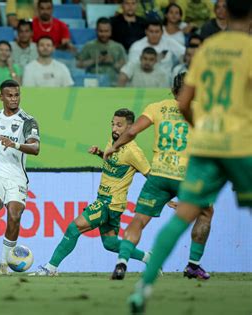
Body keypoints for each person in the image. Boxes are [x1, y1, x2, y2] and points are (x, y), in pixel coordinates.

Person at [128, 0, 252, 312]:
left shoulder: (207, 51)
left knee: (184, 215)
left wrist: (202, 127)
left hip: (207, 144)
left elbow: (184, 104)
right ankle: (193, 264)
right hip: (239, 144)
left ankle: (142, 289)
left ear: (223, 14)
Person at [106, 73, 213, 281]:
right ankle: (193, 265)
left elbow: (132, 131)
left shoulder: (157, 108)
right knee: (206, 212)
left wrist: (114, 146)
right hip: (187, 176)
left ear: (173, 90)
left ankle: (122, 261)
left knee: (138, 220)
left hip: (159, 176)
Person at [29, 108, 151, 276]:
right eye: (113, 124)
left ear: (130, 128)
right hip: (108, 201)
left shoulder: (134, 152)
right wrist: (100, 153)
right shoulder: (114, 141)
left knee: (74, 228)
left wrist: (163, 198)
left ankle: (50, 268)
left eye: (119, 125)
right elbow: (114, 162)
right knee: (110, 243)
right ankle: (148, 258)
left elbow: (150, 176)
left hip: (110, 202)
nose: (114, 129)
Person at [0, 79, 40, 275]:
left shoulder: (28, 121)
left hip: (16, 175)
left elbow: (35, 148)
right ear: (1, 97)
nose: (14, 99)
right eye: (10, 95)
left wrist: (16, 145)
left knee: (14, 216)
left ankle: (4, 263)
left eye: (17, 95)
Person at [76, 18, 127, 86]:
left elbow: (125, 69)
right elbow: (79, 65)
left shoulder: (118, 47)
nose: (104, 34)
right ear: (96, 31)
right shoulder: (88, 46)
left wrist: (112, 62)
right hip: (92, 84)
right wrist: (94, 61)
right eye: (101, 31)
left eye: (106, 31)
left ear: (111, 31)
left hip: (113, 84)